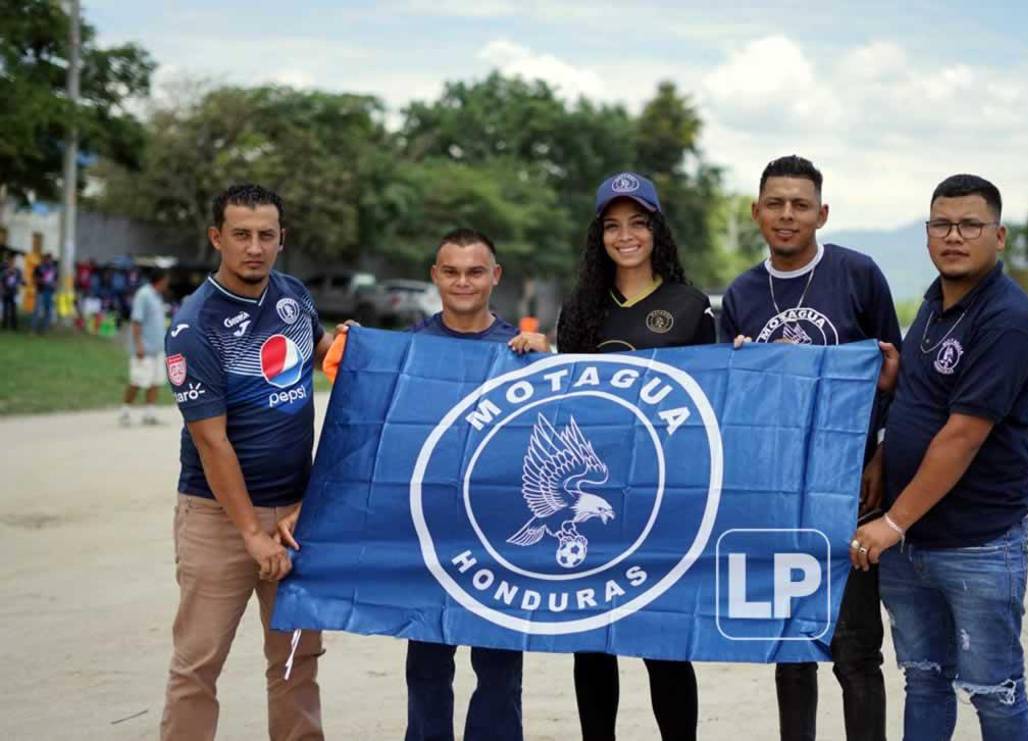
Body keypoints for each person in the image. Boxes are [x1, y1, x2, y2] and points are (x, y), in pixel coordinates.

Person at [310, 228, 547, 741]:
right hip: (427, 540)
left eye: (475, 271)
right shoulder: (408, 350)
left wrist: (546, 362)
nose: (463, 282)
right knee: (427, 669)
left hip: (496, 540)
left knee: (501, 672)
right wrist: (362, 350)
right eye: (452, 271)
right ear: (435, 276)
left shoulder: (521, 351)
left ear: (494, 276)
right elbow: (365, 426)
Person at [851, 174, 1028, 740]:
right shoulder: (936, 303)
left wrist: (890, 522)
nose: (953, 236)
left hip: (978, 543)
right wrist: (885, 449)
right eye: (942, 224)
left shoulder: (1006, 318)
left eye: (969, 225)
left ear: (999, 235)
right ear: (928, 233)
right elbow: (922, 398)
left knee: (995, 689)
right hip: (913, 544)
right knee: (926, 679)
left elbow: (962, 435)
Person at [720, 155, 901, 741]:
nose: (787, 215)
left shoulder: (858, 274)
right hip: (778, 494)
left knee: (854, 649)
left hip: (851, 486)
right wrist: (742, 369)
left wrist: (879, 452)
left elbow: (894, 375)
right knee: (792, 647)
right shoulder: (742, 293)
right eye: (775, 203)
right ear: (756, 213)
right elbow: (729, 403)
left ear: (822, 213)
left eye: (800, 205)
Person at [160, 183, 342, 740]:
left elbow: (318, 359)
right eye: (241, 235)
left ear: (282, 239)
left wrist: (346, 341)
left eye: (266, 235)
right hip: (219, 517)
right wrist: (250, 534)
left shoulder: (293, 296)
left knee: (295, 661)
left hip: (294, 516)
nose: (254, 247)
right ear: (218, 238)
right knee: (198, 664)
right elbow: (213, 444)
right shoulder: (195, 327)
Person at [556, 171, 715, 741]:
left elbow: (712, 406)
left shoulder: (691, 305)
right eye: (613, 225)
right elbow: (564, 401)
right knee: (593, 640)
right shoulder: (580, 309)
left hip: (663, 498)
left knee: (663, 641)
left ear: (657, 231)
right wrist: (530, 353)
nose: (626, 236)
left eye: (638, 223)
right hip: (596, 498)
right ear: (599, 235)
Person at [120, 268, 170, 426]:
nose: (167, 284)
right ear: (160, 280)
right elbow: (136, 321)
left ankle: (150, 413)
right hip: (144, 348)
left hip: (158, 348)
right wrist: (139, 345)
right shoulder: (144, 294)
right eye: (166, 280)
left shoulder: (157, 297)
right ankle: (125, 411)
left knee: (156, 381)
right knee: (138, 380)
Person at [32, 253, 57, 333]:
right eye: (47, 259)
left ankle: (44, 329)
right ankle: (33, 329)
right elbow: (34, 278)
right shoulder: (39, 268)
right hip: (41, 291)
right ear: (44, 259)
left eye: (50, 259)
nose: (49, 261)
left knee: (48, 311)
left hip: (49, 292)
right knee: (37, 310)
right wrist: (41, 281)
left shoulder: (54, 269)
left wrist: (54, 284)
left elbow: (56, 280)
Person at [1, 255, 24, 331]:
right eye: (10, 262)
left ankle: (14, 326)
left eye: (12, 262)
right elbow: (1, 281)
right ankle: (5, 325)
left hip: (14, 293)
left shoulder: (17, 271)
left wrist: (21, 283)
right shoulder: (4, 271)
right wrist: (2, 290)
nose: (11, 263)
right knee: (5, 309)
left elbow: (21, 280)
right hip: (6, 292)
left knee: (13, 309)